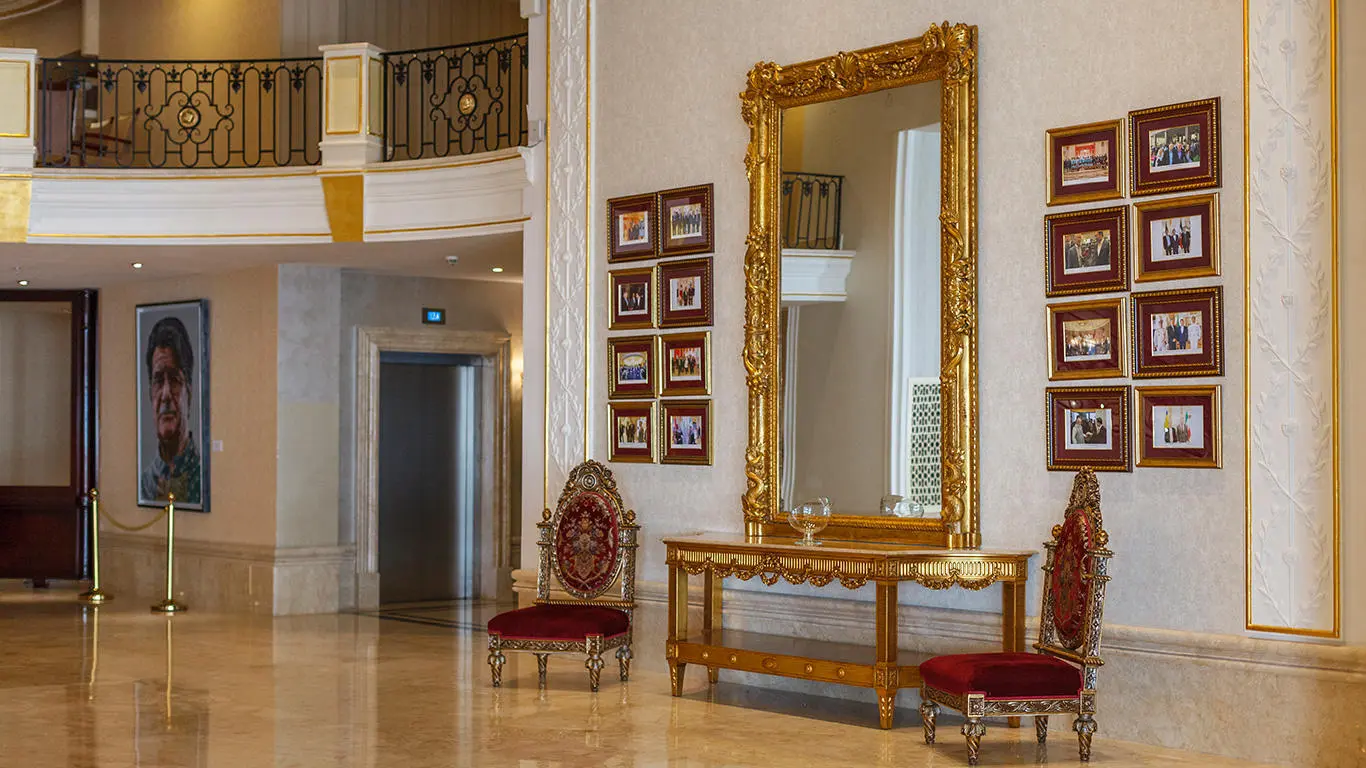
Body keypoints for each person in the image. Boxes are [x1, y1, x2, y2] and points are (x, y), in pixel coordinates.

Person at [140, 317, 201, 505]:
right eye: (158, 381)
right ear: (150, 394)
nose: (166, 394)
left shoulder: (202, 477)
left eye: (174, 380)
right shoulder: (145, 485)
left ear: (189, 392)